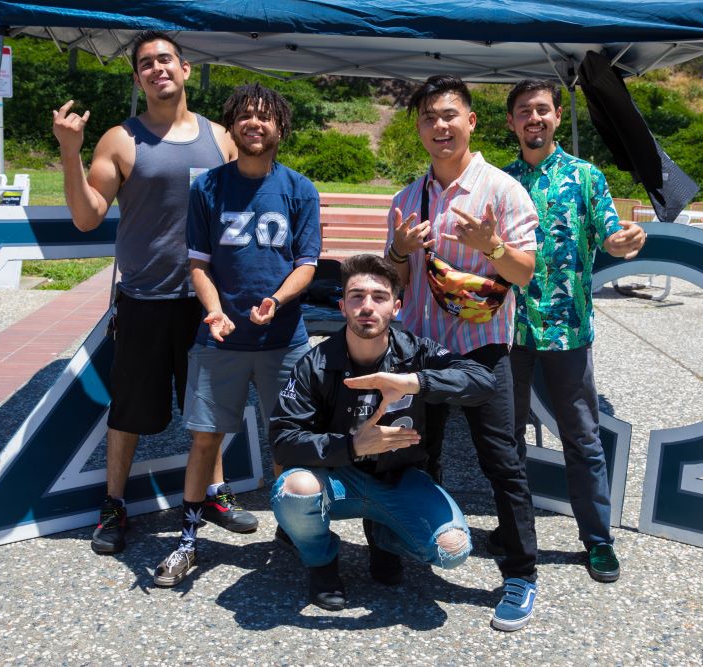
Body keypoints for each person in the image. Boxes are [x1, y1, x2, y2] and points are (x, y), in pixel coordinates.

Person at [51, 30, 251, 556]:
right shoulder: (121, 140)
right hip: (144, 299)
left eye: (166, 59)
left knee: (208, 407)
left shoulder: (221, 139)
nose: (157, 68)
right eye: (146, 64)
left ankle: (215, 493)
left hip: (207, 301)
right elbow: (86, 216)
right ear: (138, 78)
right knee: (129, 411)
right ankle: (114, 504)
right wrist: (70, 153)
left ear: (185, 69)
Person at [384, 75, 541, 632]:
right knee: (413, 455)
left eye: (449, 115)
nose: (440, 126)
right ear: (419, 128)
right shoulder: (407, 199)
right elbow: (394, 285)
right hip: (420, 350)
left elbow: (525, 272)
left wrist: (490, 246)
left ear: (471, 121)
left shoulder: (502, 191)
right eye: (429, 117)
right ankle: (410, 544)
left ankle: (521, 573)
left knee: (502, 462)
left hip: (484, 349)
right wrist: (398, 251)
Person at [151, 82, 321, 587]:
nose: (255, 123)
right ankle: (188, 541)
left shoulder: (299, 190)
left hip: (284, 340)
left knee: (288, 440)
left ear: (280, 127)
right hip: (220, 339)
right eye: (245, 115)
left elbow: (307, 264)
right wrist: (214, 311)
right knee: (205, 439)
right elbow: (198, 264)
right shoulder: (207, 187)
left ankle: (295, 531)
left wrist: (277, 300)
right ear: (231, 126)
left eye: (265, 116)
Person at [269, 254, 496, 611]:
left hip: (399, 478)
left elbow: (483, 381)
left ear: (396, 307)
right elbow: (283, 440)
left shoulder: (416, 353)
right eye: (357, 296)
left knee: (452, 550)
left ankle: (384, 536)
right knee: (294, 489)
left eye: (379, 297)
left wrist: (416, 382)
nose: (367, 306)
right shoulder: (314, 364)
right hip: (338, 479)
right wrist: (352, 445)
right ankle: (321, 562)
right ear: (342, 306)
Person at [501, 79, 646, 584]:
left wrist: (624, 240)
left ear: (558, 116)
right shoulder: (501, 181)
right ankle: (513, 530)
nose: (534, 118)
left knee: (582, 438)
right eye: (524, 111)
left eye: (542, 109)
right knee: (507, 437)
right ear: (511, 122)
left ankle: (598, 539)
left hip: (568, 330)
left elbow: (610, 233)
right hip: (511, 331)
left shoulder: (586, 176)